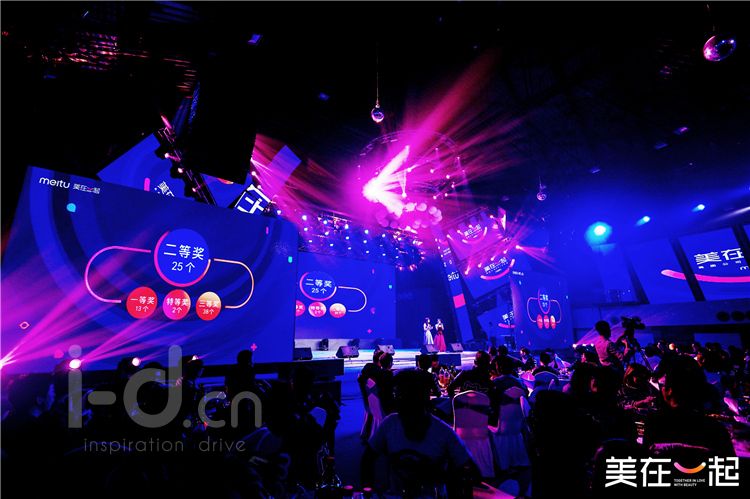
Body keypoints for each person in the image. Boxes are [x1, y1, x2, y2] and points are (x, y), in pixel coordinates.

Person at [361, 370, 478, 496]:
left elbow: (470, 471)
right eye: (396, 395)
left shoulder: (443, 433)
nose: (396, 401)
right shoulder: (390, 424)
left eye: (401, 396)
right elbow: (367, 459)